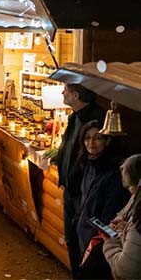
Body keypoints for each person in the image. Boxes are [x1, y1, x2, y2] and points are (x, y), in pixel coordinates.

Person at [55, 83, 105, 273]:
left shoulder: (96, 119)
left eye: (66, 90)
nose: (62, 93)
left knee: (84, 238)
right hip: (70, 188)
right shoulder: (75, 117)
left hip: (84, 191)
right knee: (71, 238)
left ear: (75, 95)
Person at [75, 121, 129, 261]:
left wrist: (98, 239)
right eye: (87, 137)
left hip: (98, 241)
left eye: (98, 138)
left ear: (107, 141)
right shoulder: (89, 164)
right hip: (84, 234)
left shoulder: (114, 174)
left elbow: (110, 214)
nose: (91, 142)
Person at [103, 154, 141, 280]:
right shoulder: (136, 198)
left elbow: (124, 270)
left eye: (130, 187)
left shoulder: (139, 216)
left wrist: (110, 240)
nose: (130, 191)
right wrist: (124, 230)